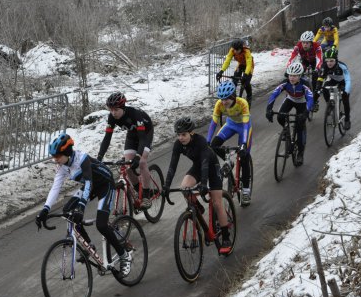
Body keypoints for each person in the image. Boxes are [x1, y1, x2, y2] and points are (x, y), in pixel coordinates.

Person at [36, 133, 132, 275]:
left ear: (67, 153)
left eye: (57, 156)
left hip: (105, 185)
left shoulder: (82, 159)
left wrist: (81, 207)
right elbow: (55, 188)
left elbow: (88, 182)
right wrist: (45, 209)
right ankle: (89, 246)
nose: (55, 159)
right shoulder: (62, 166)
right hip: (91, 187)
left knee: (101, 224)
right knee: (68, 211)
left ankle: (124, 255)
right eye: (54, 156)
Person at [163, 117, 233, 255]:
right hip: (198, 167)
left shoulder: (200, 141)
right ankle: (198, 208)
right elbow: (172, 166)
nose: (181, 138)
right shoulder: (178, 145)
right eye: (178, 135)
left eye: (184, 134)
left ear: (191, 133)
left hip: (212, 168)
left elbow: (206, 164)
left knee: (217, 202)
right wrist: (166, 186)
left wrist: (204, 184)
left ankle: (226, 238)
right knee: (185, 188)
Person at [97, 92, 154, 208]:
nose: (113, 113)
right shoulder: (111, 117)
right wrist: (99, 157)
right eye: (111, 110)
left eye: (116, 110)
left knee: (142, 162)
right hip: (132, 135)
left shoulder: (135, 114)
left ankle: (147, 196)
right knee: (127, 167)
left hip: (145, 134)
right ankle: (140, 191)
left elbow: (142, 139)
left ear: (123, 107)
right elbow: (107, 138)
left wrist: (138, 156)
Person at [206, 80, 253, 206]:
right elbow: (213, 124)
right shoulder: (219, 104)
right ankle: (229, 161)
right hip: (230, 125)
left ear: (233, 96)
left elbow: (245, 124)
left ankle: (246, 191)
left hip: (244, 127)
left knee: (244, 156)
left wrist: (243, 143)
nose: (224, 102)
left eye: (226, 99)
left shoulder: (242, 103)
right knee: (214, 145)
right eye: (221, 99)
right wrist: (207, 141)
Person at [266, 62, 313, 166]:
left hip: (302, 103)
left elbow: (310, 99)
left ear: (300, 76)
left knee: (300, 126)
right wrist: (268, 109)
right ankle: (286, 131)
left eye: (295, 76)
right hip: (290, 100)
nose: (292, 78)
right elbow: (274, 94)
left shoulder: (305, 84)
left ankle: (300, 153)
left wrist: (306, 113)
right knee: (280, 117)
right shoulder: (285, 82)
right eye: (290, 75)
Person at [317, 47, 352, 130]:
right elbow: (321, 78)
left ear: (336, 60)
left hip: (343, 82)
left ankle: (347, 119)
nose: (329, 63)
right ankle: (329, 104)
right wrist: (318, 87)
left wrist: (346, 91)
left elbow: (348, 80)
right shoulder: (324, 66)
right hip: (332, 80)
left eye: (331, 60)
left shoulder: (342, 66)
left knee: (345, 99)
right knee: (325, 88)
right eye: (327, 61)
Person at [288, 31, 323, 112]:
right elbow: (292, 57)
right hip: (305, 61)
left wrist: (317, 69)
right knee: (298, 74)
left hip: (315, 62)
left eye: (307, 43)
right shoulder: (298, 46)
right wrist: (288, 68)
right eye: (303, 42)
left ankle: (314, 100)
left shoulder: (317, 46)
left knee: (315, 78)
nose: (305, 45)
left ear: (311, 43)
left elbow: (319, 59)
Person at [215, 39, 255, 107]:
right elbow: (227, 61)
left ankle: (249, 96)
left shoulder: (246, 51)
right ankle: (233, 99)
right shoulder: (232, 50)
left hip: (249, 66)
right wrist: (221, 71)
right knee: (234, 82)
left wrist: (245, 75)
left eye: (237, 50)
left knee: (246, 82)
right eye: (234, 50)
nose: (235, 51)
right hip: (241, 65)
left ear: (241, 48)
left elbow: (249, 64)